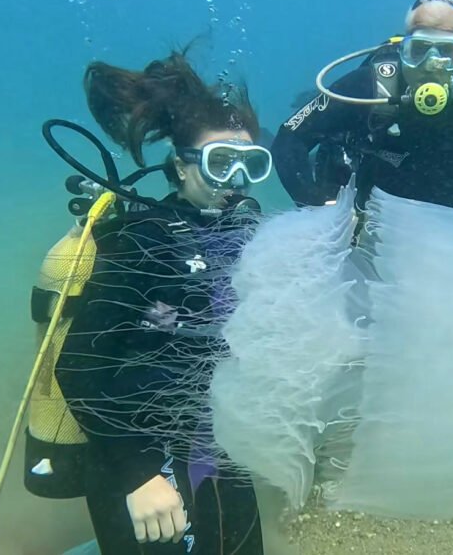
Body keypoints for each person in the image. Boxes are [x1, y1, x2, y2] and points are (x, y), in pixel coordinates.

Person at [52, 48, 269, 554]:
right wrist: (139, 476)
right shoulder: (142, 239)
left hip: (217, 446)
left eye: (249, 165)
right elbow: (80, 367)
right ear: (180, 165)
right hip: (140, 456)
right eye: (220, 163)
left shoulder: (249, 235)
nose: (235, 182)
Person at [271, 0, 453, 239]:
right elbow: (290, 137)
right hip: (362, 229)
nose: (431, 65)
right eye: (419, 50)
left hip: (448, 235)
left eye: (448, 52)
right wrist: (316, 205)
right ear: (403, 49)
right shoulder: (370, 84)